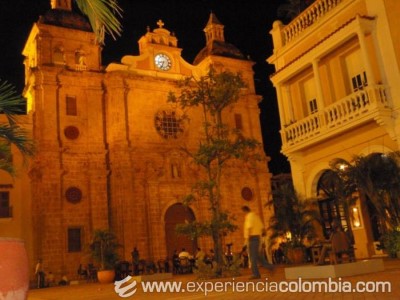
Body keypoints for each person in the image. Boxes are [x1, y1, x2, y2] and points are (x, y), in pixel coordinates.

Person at [242, 205, 274, 279]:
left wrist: (246, 241)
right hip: (257, 238)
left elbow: (249, 228)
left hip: (252, 238)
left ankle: (256, 274)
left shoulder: (249, 217)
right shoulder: (256, 217)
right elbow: (263, 229)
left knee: (253, 257)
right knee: (258, 256)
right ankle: (270, 267)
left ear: (245, 211)